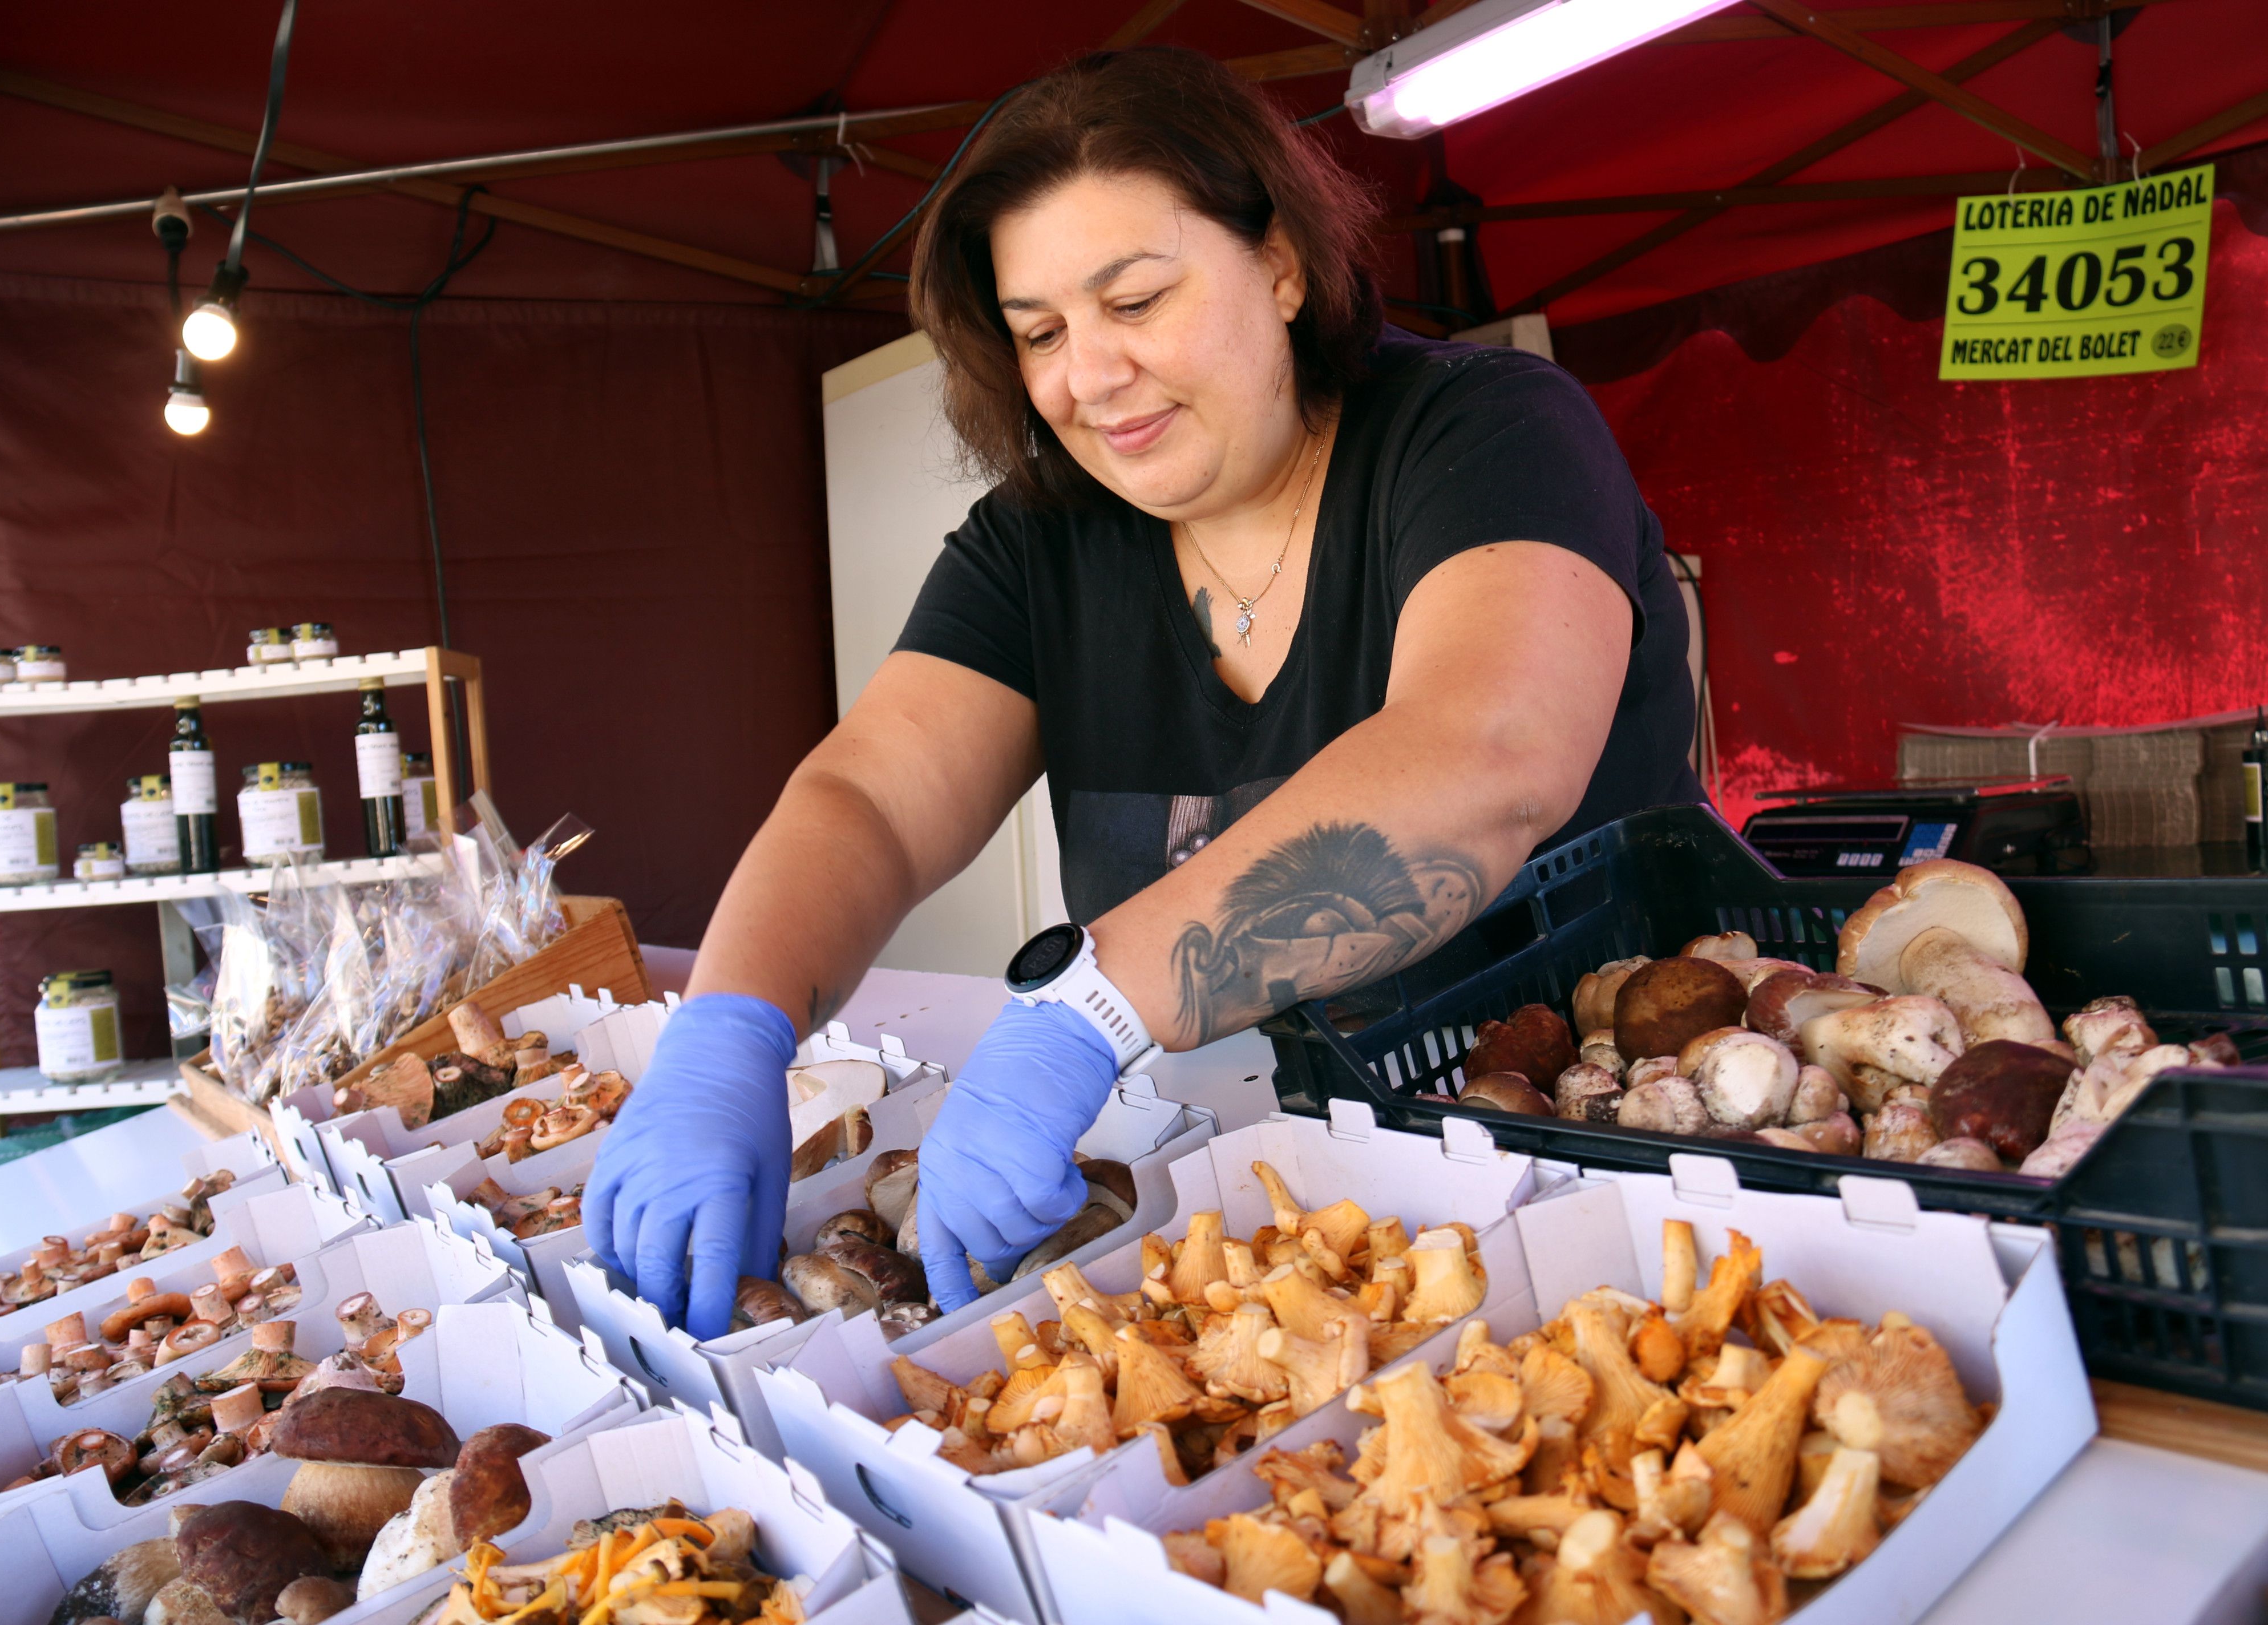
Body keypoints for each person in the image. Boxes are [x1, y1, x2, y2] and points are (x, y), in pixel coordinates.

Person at [584, 47, 1700, 1339]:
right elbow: (872, 798)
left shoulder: (1488, 428)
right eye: (1042, 332)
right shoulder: (1038, 538)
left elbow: (1489, 751)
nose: (1090, 375)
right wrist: (730, 1031)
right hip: (1266, 1224)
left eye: (1137, 300)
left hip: (1617, 1174)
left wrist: (1089, 1006)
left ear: (1281, 264)